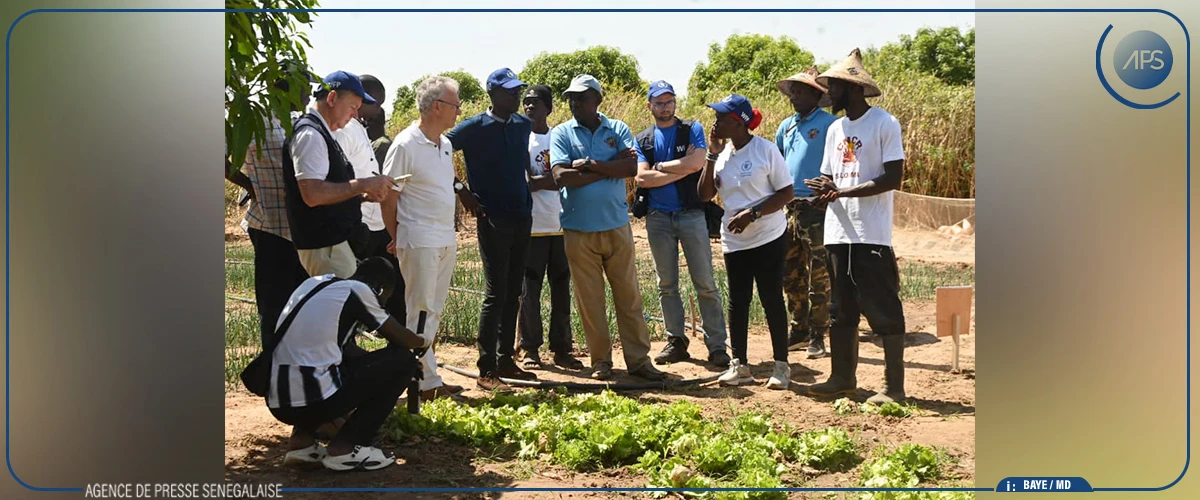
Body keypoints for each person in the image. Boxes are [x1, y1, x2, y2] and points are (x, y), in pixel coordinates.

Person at [805, 49, 908, 405]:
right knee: (841, 308)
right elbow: (827, 175)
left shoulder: (884, 123)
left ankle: (894, 388)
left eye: (832, 87)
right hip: (838, 232)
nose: (827, 94)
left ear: (850, 87)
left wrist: (841, 191)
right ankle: (842, 378)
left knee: (883, 308)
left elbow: (893, 177)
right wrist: (820, 192)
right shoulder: (835, 128)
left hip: (870, 234)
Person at [550, 75, 666, 381]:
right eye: (571, 98)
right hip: (578, 229)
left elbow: (630, 168)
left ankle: (639, 360)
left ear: (597, 100)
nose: (575, 103)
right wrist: (605, 165)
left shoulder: (617, 129)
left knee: (629, 296)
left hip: (616, 225)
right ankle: (600, 361)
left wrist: (586, 164)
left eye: (582, 98)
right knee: (590, 301)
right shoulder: (562, 133)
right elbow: (561, 177)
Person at [267, 257, 429, 472]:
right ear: (379, 289)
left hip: (279, 401)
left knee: (316, 367)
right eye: (384, 299)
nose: (381, 304)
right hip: (316, 400)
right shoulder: (358, 291)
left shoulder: (314, 284)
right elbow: (402, 338)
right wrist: (424, 341)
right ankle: (346, 448)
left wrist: (380, 365)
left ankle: (301, 443)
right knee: (404, 361)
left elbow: (344, 351)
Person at [445, 68, 538, 385]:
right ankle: (487, 367)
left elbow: (520, 163)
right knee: (496, 292)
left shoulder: (523, 125)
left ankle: (505, 360)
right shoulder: (473, 128)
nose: (516, 96)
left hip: (522, 214)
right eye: (510, 91)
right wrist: (462, 191)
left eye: (518, 90)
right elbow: (437, 151)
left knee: (515, 291)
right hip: (492, 217)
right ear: (493, 94)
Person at [697, 94, 795, 390]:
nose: (716, 123)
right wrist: (711, 155)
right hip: (735, 240)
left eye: (722, 118)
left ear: (738, 122)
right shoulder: (723, 155)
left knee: (771, 299)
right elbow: (704, 195)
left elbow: (786, 193)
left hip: (768, 236)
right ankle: (740, 366)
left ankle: (781, 366)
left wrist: (752, 213)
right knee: (738, 302)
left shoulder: (765, 150)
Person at [633, 80, 730, 368]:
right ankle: (676, 341)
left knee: (705, 282)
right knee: (667, 284)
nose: (665, 107)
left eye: (669, 101)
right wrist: (681, 166)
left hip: (690, 214)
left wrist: (661, 167)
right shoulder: (643, 139)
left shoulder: (692, 129)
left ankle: (717, 345)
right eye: (659, 102)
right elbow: (641, 178)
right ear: (649, 105)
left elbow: (699, 162)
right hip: (658, 217)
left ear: (676, 102)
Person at [380, 76, 468, 399]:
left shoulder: (445, 145)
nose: (459, 111)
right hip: (419, 239)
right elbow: (388, 196)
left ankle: (427, 378)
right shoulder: (405, 145)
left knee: (434, 310)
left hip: (444, 238)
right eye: (455, 105)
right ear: (436, 107)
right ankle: (420, 383)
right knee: (418, 310)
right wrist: (396, 234)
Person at [282, 70, 395, 279]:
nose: (354, 114)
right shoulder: (311, 135)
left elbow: (329, 191)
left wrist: (361, 196)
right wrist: (363, 185)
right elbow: (313, 194)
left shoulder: (324, 133)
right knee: (344, 308)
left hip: (333, 244)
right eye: (352, 107)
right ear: (332, 98)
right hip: (325, 246)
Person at [226, 77, 311, 347]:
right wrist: (249, 184)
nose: (308, 95)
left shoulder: (300, 121)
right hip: (269, 225)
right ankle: (273, 371)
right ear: (288, 89)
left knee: (303, 300)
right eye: (304, 88)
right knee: (273, 304)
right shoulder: (255, 120)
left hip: (301, 227)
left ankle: (296, 367)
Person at [516, 85, 583, 371]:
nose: (529, 107)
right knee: (529, 291)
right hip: (532, 226)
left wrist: (543, 181)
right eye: (526, 102)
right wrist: (552, 178)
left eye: (535, 102)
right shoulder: (519, 138)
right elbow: (525, 181)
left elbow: (568, 176)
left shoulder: (559, 137)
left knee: (561, 289)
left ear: (549, 108)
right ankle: (530, 349)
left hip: (561, 223)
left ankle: (562, 349)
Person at [775, 66, 838, 360]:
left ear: (816, 94)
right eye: (792, 90)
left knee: (819, 275)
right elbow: (777, 165)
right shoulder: (785, 127)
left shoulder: (830, 125)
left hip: (818, 207)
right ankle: (797, 328)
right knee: (791, 273)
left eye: (800, 90)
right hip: (788, 208)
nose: (794, 95)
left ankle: (818, 334)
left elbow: (840, 162)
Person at [336, 74, 406, 325]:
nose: (380, 109)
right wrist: (365, 192)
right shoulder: (345, 130)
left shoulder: (358, 128)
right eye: (376, 103)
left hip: (374, 220)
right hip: (360, 221)